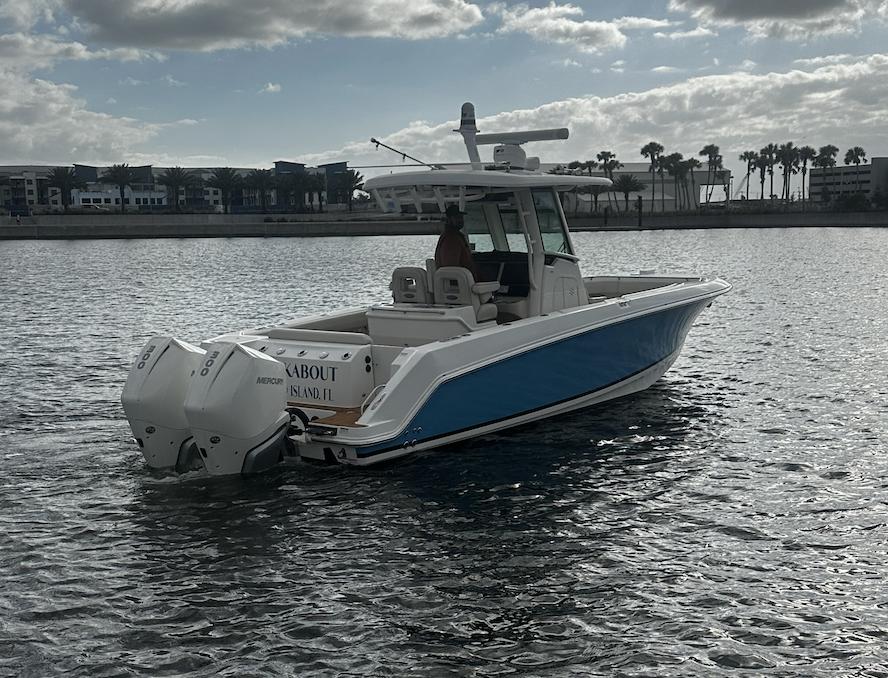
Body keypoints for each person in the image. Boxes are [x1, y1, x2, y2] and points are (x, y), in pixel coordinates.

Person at [434, 204, 479, 279]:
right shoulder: (451, 239)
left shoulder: (452, 236)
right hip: (462, 284)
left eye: (461, 217)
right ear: (448, 219)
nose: (460, 220)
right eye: (457, 217)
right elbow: (450, 267)